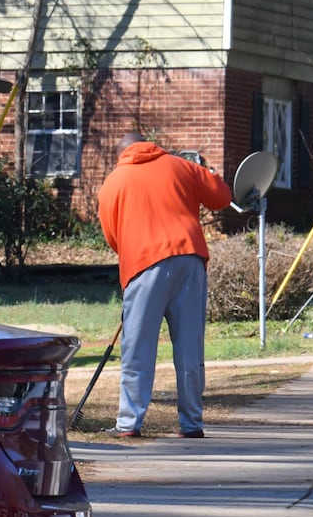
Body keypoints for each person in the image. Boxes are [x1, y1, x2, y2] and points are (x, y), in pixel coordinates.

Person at [96, 132, 232, 438]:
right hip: (189, 258)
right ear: (150, 145)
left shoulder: (114, 182)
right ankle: (192, 423)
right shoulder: (182, 166)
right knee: (189, 345)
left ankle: (130, 423)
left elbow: (112, 236)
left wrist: (134, 256)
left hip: (143, 264)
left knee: (137, 347)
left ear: (122, 152)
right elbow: (222, 197)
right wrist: (209, 172)